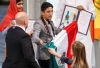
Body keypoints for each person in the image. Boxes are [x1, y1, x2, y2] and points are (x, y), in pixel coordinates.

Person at [55, 0, 96, 67]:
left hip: (83, 35)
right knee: (69, 58)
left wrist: (85, 10)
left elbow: (94, 15)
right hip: (69, 34)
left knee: (86, 58)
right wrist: (62, 28)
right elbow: (58, 15)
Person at [32, 2, 61, 68]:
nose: (51, 14)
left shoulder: (50, 21)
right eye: (48, 12)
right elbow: (34, 36)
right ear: (42, 12)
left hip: (51, 53)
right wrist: (39, 40)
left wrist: (65, 29)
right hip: (44, 56)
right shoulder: (38, 23)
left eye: (52, 11)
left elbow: (56, 31)